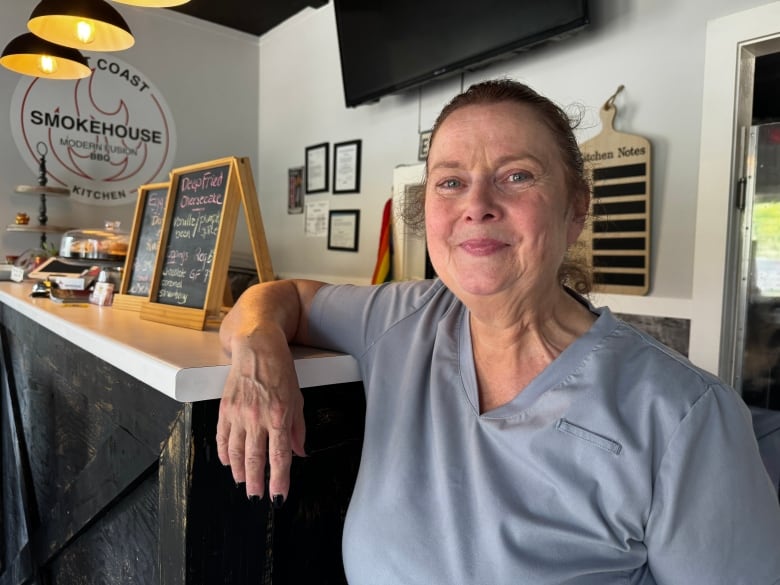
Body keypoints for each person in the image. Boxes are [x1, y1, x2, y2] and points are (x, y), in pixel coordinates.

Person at [216, 79, 780, 584]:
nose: (477, 205)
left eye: (517, 176)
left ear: (574, 211)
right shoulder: (401, 320)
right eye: (451, 182)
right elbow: (276, 297)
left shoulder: (687, 414)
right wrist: (258, 349)